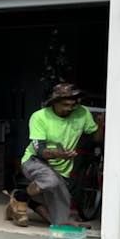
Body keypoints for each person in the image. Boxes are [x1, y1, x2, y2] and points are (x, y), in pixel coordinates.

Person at [19, 83, 103, 226]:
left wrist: (100, 125)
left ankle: (30, 201)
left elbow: (96, 138)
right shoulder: (40, 116)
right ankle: (20, 197)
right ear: (54, 103)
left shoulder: (82, 113)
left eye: (72, 105)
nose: (69, 108)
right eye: (65, 105)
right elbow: (40, 151)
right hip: (34, 161)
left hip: (61, 170)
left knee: (60, 222)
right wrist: (59, 155)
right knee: (50, 181)